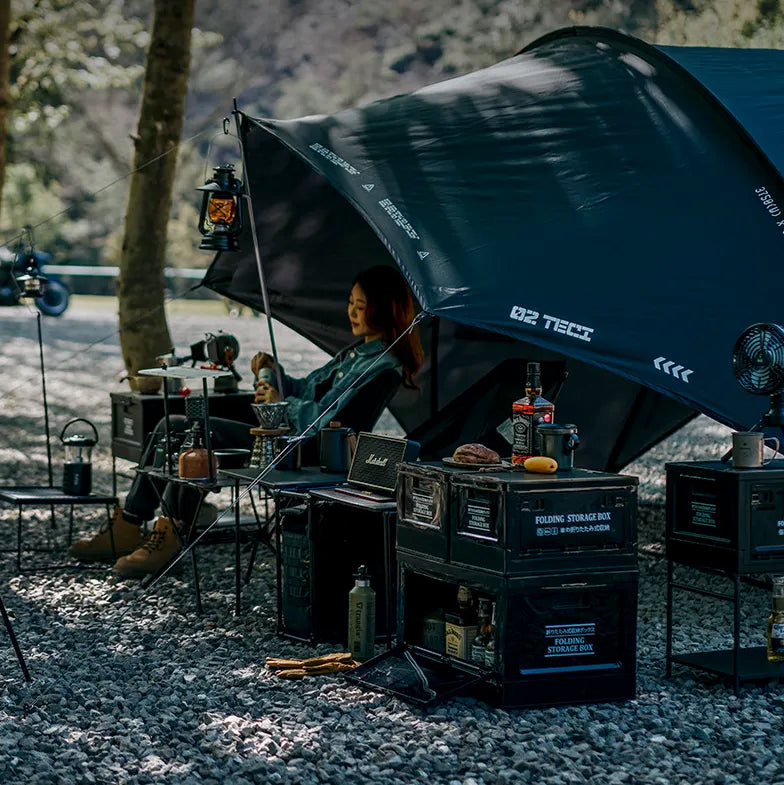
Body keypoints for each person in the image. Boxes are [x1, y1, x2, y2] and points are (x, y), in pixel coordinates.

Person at [69, 265, 424, 578]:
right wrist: (272, 370)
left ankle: (171, 533)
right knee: (172, 423)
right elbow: (307, 389)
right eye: (350, 302)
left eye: (361, 305)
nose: (351, 312)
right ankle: (130, 523)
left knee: (194, 432)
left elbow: (328, 422)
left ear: (383, 308)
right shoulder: (353, 353)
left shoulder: (382, 368)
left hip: (300, 451)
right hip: (282, 433)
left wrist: (280, 402)